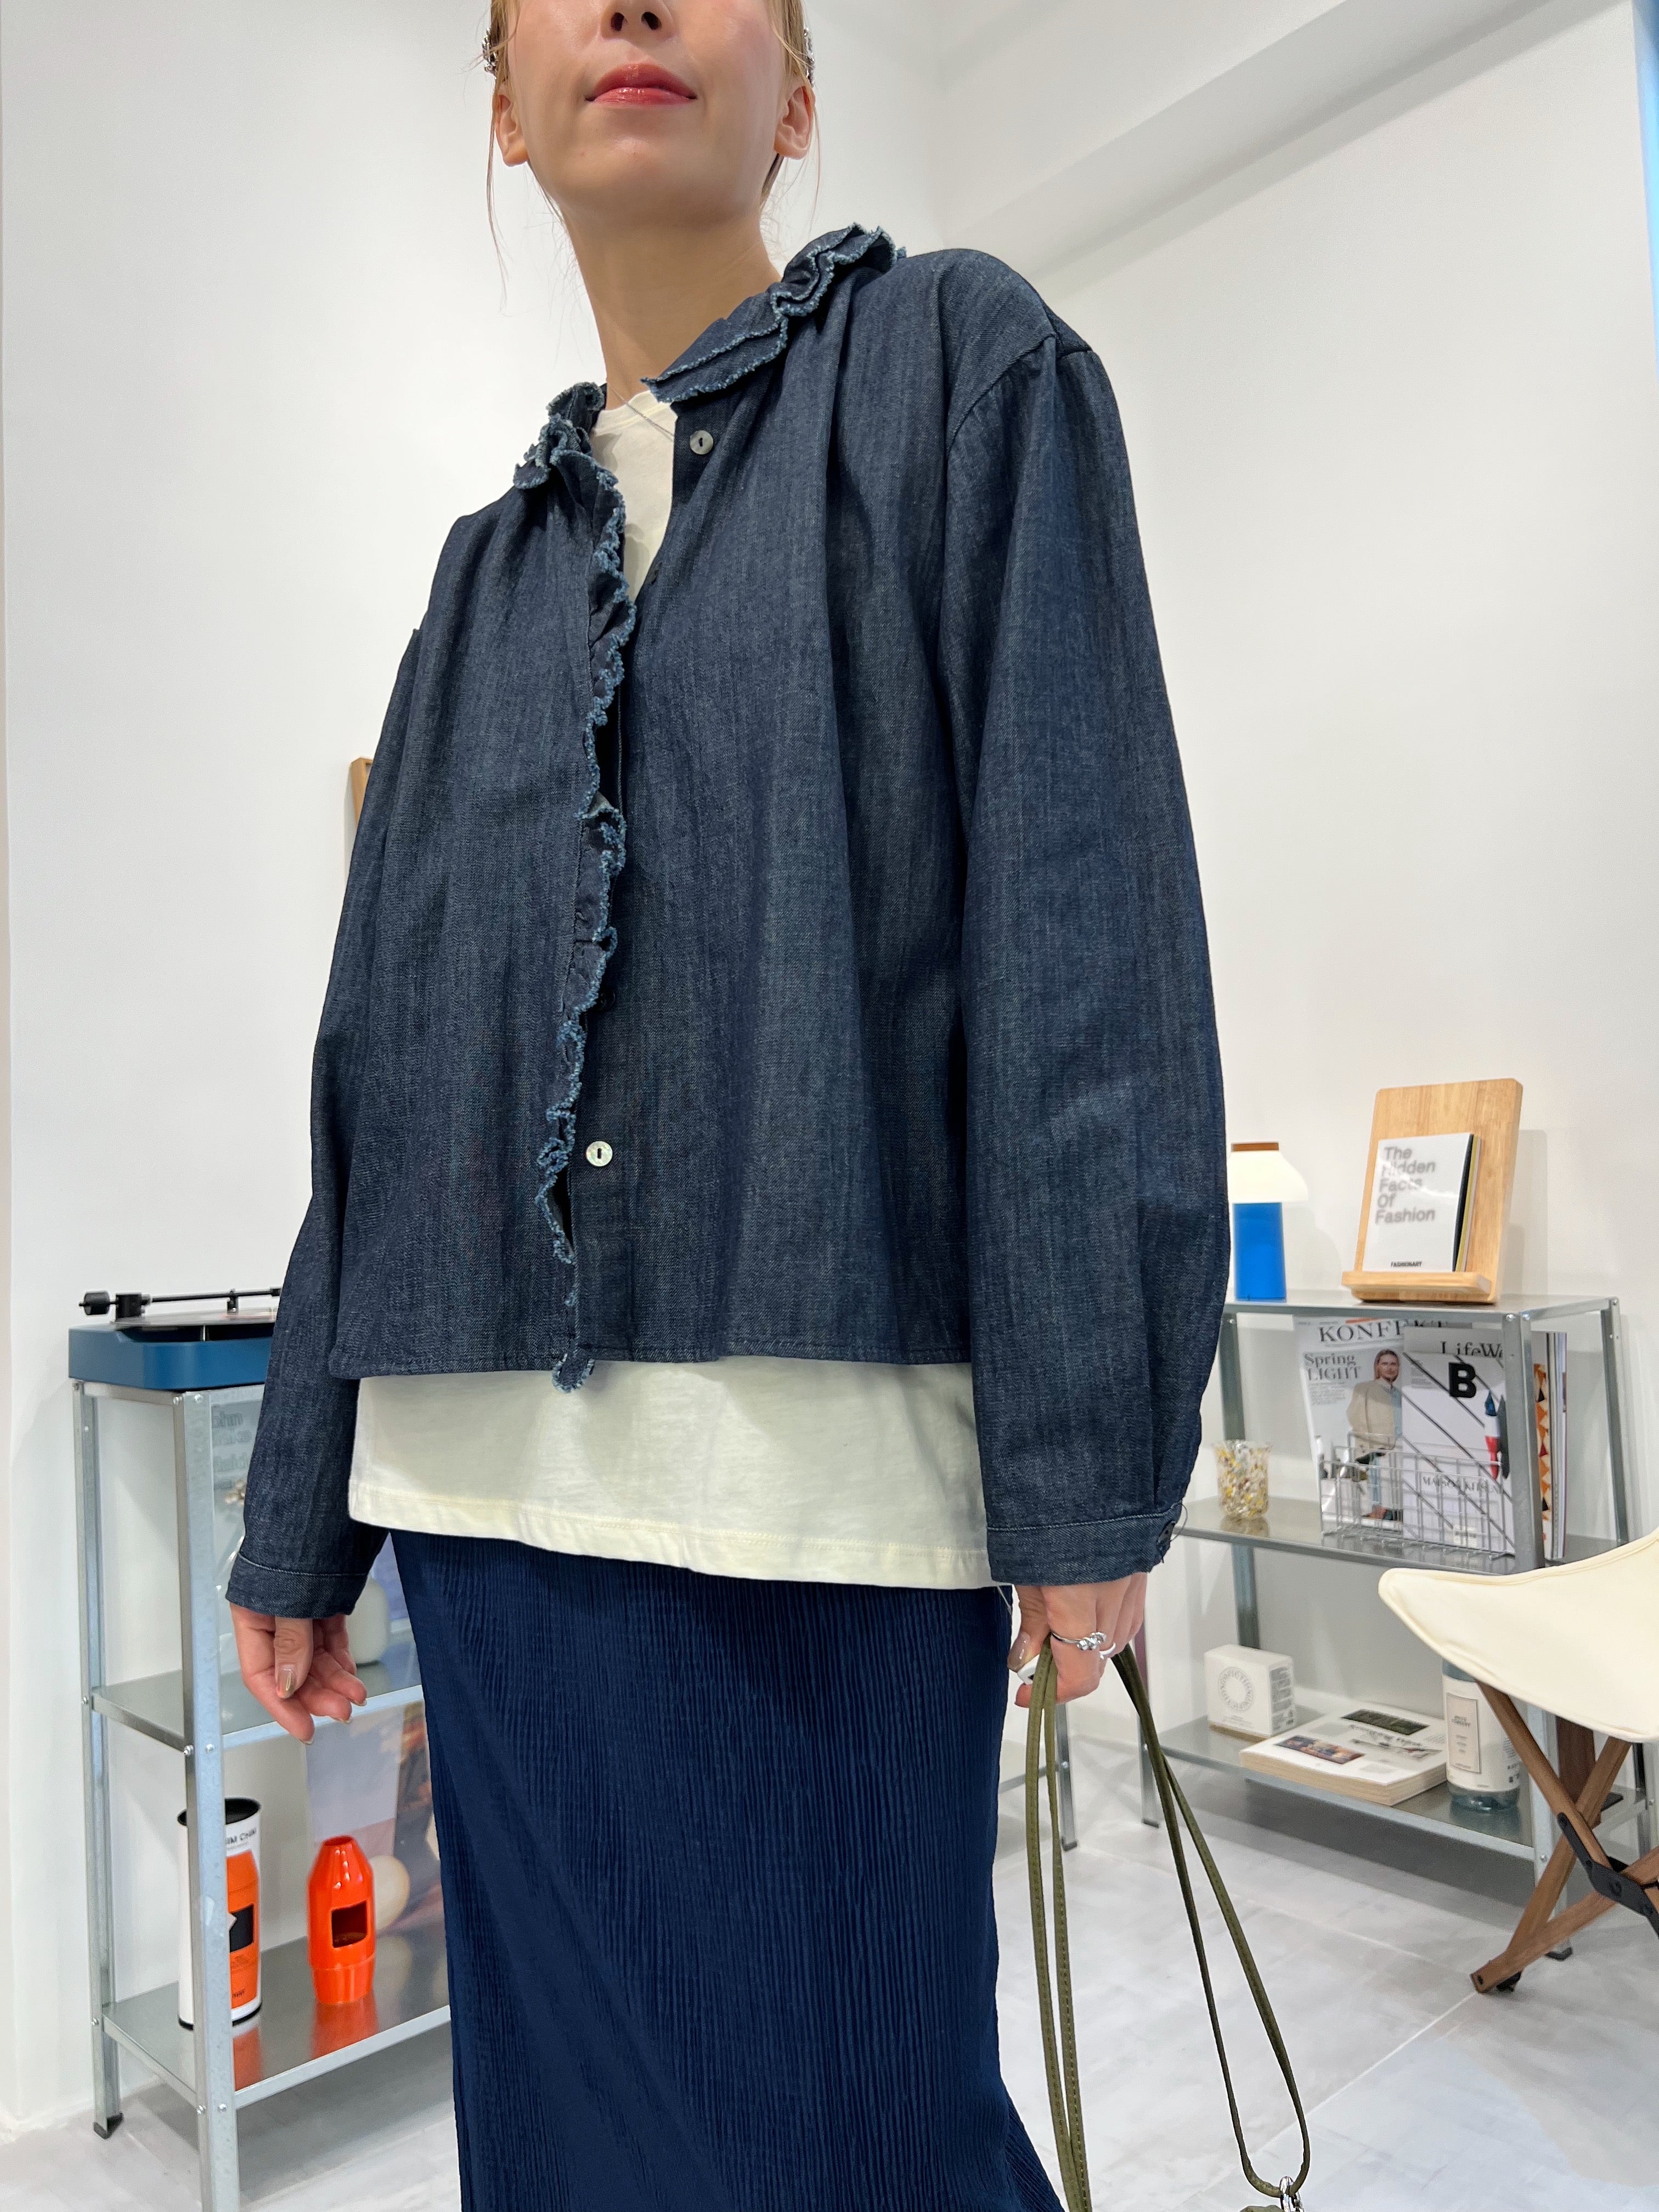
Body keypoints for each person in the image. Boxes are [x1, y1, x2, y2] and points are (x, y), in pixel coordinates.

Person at [225, 3, 1228, 2205]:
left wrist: (1087, 1461)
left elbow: (1082, 926)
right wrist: (303, 1506)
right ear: (503, 105)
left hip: (811, 1503)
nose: (633, 5)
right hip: (478, 1510)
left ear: (803, 90)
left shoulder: (963, 371)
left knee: (855, 2142)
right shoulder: (480, 579)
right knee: (564, 2150)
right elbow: (379, 1061)